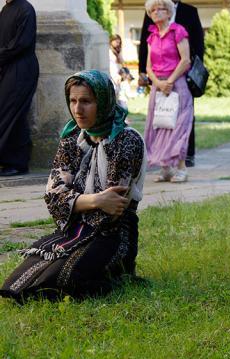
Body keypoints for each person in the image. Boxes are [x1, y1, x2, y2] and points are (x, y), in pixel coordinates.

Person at [0, 70, 145, 301]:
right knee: (18, 285)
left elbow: (113, 210)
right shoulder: (71, 138)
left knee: (63, 281)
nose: (78, 109)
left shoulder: (127, 140)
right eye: (73, 101)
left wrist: (75, 202)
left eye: (86, 101)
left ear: (104, 101)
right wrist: (96, 200)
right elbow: (53, 195)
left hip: (113, 234)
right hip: (75, 230)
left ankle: (118, 273)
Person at [138, 0, 204, 168]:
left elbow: (194, 49)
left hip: (179, 79)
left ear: (169, 12)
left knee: (180, 122)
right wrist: (155, 81)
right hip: (158, 84)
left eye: (160, 9)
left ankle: (183, 162)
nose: (156, 12)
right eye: (153, 10)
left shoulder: (180, 28)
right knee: (159, 123)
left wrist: (173, 80)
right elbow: (147, 61)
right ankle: (164, 165)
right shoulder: (152, 35)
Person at [0, 0, 38, 176]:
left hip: (21, 69)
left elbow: (21, 44)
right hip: (7, 67)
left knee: (12, 112)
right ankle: (13, 161)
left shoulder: (26, 9)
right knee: (13, 114)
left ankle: (17, 163)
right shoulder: (6, 9)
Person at [109, 34, 125, 106]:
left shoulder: (118, 53)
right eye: (116, 41)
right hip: (111, 78)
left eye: (119, 42)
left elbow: (122, 64)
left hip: (118, 80)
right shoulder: (109, 52)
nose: (117, 44)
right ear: (111, 41)